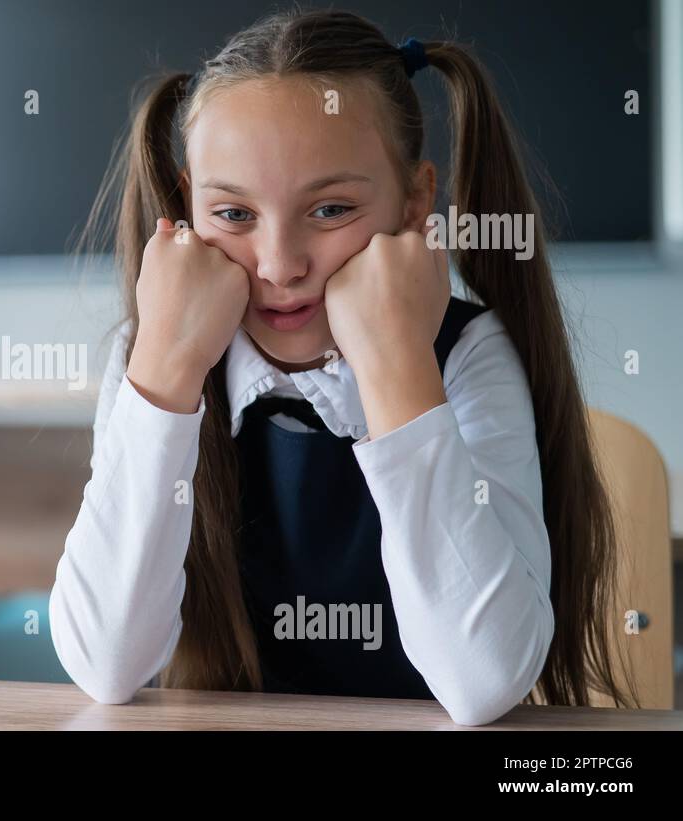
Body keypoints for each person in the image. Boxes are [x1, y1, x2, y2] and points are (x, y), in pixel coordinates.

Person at [50, 9, 632, 726]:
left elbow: (484, 680)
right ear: (185, 205)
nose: (280, 265)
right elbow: (103, 664)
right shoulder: (151, 356)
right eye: (233, 214)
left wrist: (395, 366)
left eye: (329, 209)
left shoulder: (468, 355)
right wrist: (165, 376)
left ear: (417, 201)